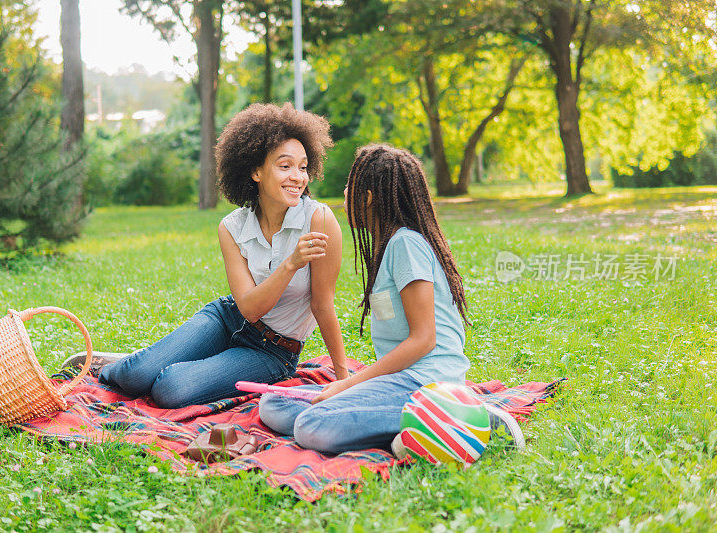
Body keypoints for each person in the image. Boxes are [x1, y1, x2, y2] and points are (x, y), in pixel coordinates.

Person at [78, 103, 348, 409]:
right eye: (285, 166)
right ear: (256, 171)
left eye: (302, 167)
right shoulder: (232, 227)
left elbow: (322, 304)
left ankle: (155, 363)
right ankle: (124, 365)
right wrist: (291, 264)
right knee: (134, 377)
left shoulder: (319, 220)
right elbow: (248, 309)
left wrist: (344, 379)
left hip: (273, 352)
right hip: (227, 318)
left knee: (170, 388)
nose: (298, 177)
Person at [258, 144, 523, 454]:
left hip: (426, 382)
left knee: (311, 427)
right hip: (402, 381)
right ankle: (417, 428)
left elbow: (424, 339)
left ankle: (459, 419)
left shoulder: (405, 244)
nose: (344, 197)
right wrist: (352, 386)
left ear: (367, 198)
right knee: (274, 404)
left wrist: (349, 384)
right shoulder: (388, 247)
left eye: (349, 189)